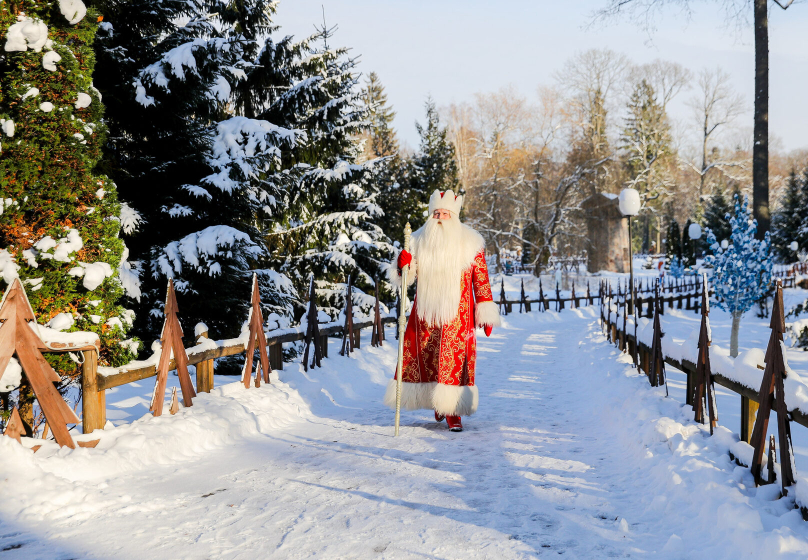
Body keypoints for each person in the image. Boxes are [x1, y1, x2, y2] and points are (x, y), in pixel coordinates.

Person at [384, 190, 500, 432]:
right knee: (427, 359)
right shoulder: (416, 240)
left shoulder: (471, 242)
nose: (440, 217)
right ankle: (438, 403)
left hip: (459, 315)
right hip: (425, 314)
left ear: (454, 216)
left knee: (453, 361)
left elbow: (481, 277)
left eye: (445, 213)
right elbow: (406, 274)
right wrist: (402, 264)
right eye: (436, 213)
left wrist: (485, 308)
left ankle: (452, 411)